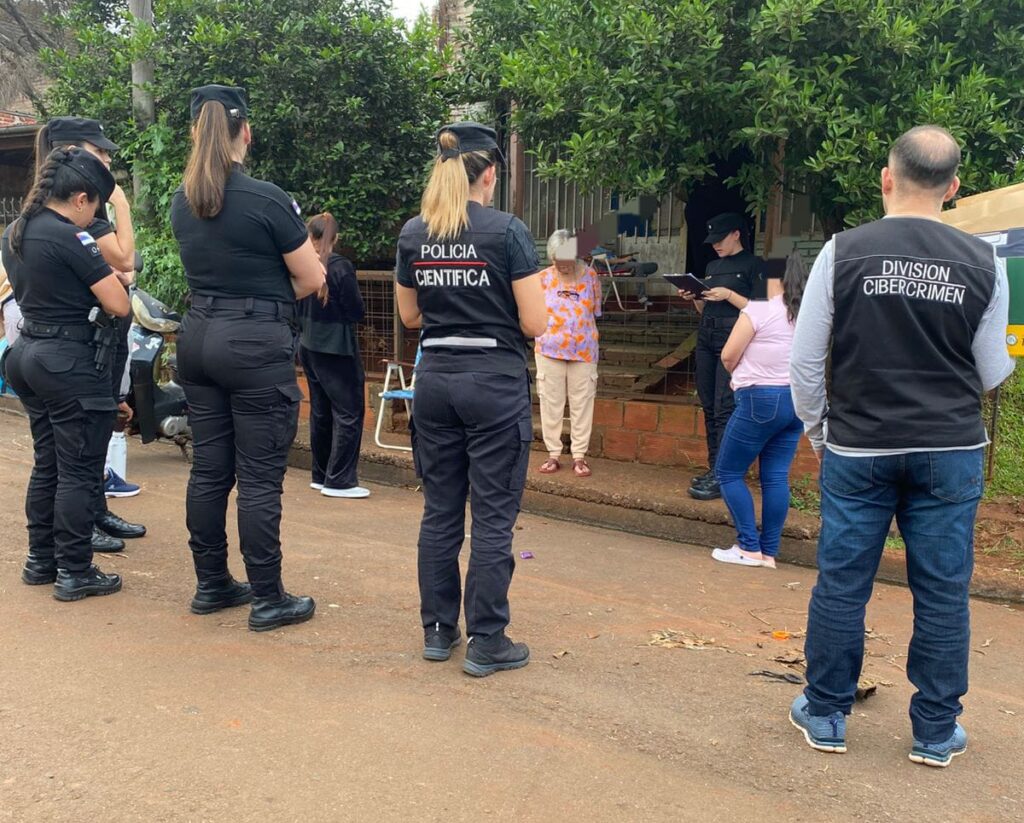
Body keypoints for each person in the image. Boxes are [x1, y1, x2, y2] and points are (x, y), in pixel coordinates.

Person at [789, 125, 1014, 768]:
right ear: (954, 187)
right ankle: (936, 732)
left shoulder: (843, 251)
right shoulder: (985, 262)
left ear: (887, 179)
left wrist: (820, 431)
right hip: (950, 448)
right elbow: (992, 370)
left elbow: (805, 362)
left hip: (860, 447)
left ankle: (825, 712)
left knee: (843, 582)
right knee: (943, 590)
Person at [170, 85, 325, 631]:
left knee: (210, 469)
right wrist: (265, 297)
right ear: (247, 132)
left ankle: (212, 583)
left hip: (197, 336)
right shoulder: (266, 199)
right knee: (259, 477)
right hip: (254, 342)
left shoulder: (182, 201)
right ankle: (268, 597)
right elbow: (312, 276)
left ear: (195, 133)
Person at [395, 121, 547, 676]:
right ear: (490, 175)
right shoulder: (507, 231)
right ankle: (488, 639)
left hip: (435, 380)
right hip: (493, 383)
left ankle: (438, 630)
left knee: (440, 511)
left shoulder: (415, 232)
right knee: (492, 517)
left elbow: (409, 315)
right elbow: (535, 322)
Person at [0, 147, 130, 600]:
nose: (93, 217)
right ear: (79, 199)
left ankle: (41, 560)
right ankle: (75, 570)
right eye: (94, 207)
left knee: (49, 463)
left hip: (27, 354)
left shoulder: (15, 230)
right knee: (78, 469)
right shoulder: (71, 237)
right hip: (68, 361)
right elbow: (119, 304)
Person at [33, 116, 145, 549]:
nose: (107, 160)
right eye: (98, 152)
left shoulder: (45, 220)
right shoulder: (74, 220)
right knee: (76, 454)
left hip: (78, 345)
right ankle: (77, 545)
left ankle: (84, 520)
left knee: (75, 449)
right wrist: (123, 205)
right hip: (77, 346)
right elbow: (125, 265)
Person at [710, 251, 808, 569]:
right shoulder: (806, 314)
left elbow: (728, 355)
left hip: (759, 399)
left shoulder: (760, 308)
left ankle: (748, 546)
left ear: (773, 277)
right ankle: (768, 552)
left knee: (728, 472)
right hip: (795, 401)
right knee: (775, 477)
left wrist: (737, 374)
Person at [677, 213, 765, 501]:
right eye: (712, 240)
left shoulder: (755, 265)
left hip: (733, 338)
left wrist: (729, 294)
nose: (715, 245)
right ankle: (714, 467)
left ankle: (725, 473)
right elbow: (707, 309)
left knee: (725, 406)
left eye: (720, 239)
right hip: (706, 334)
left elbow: (762, 310)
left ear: (736, 234)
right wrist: (696, 297)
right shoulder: (712, 266)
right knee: (708, 405)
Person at [298, 212, 368, 499]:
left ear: (310, 235)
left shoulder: (302, 264)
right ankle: (340, 480)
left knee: (320, 410)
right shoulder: (340, 267)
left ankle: (320, 474)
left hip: (308, 343)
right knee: (349, 412)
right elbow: (356, 310)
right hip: (337, 346)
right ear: (335, 238)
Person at [535, 229, 601, 477]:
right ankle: (553, 454)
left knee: (582, 402)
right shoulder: (542, 278)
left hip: (584, 350)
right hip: (548, 349)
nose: (561, 265)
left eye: (566, 260)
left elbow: (596, 311)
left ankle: (579, 455)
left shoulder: (590, 276)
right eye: (556, 260)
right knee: (550, 402)